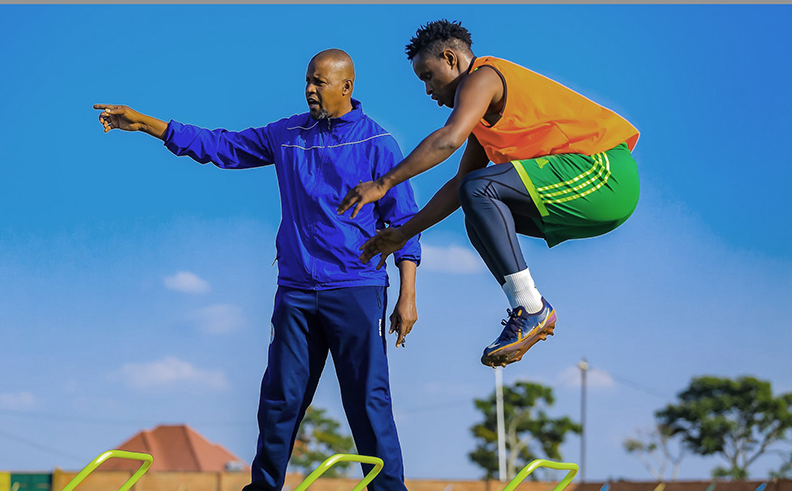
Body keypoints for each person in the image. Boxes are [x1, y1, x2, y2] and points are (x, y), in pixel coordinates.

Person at [94, 49, 420, 491]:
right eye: (307, 79)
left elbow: (404, 224)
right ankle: (264, 488)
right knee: (280, 400)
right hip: (297, 291)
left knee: (368, 401)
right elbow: (221, 146)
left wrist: (407, 295)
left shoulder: (377, 144)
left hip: (356, 289)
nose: (309, 88)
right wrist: (149, 125)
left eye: (319, 81)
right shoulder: (286, 135)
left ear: (347, 87)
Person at [337, 20, 640, 368]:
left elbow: (449, 140)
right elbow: (459, 187)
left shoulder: (485, 76)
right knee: (475, 208)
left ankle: (531, 308)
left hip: (604, 174)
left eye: (428, 76)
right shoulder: (483, 125)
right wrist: (403, 234)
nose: (427, 90)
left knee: (478, 189)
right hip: (591, 193)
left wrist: (383, 183)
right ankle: (527, 307)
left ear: (450, 59)